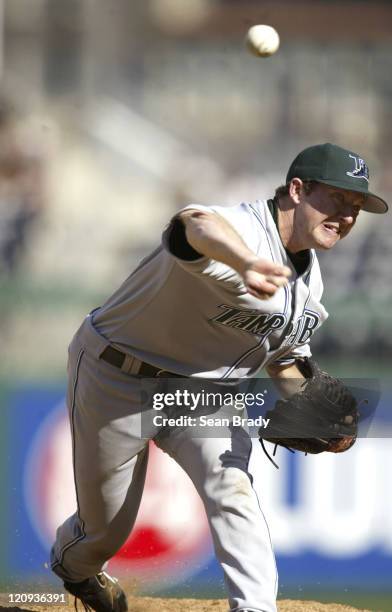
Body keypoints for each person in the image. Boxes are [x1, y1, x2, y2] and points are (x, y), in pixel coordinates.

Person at [50, 143, 388, 612]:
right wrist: (244, 263)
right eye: (336, 198)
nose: (347, 215)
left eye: (355, 207)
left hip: (201, 395)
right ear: (296, 189)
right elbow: (193, 227)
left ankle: (254, 607)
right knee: (105, 530)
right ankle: (77, 570)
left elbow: (284, 361)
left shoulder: (310, 284)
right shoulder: (243, 227)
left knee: (233, 487)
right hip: (118, 375)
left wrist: (323, 413)